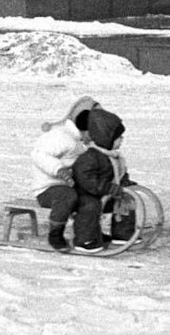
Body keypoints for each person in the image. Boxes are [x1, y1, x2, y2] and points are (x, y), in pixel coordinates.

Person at [29, 96, 97, 251]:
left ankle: (88, 233)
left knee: (89, 199)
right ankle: (55, 235)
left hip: (70, 185)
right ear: (84, 129)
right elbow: (39, 154)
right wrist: (59, 169)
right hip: (47, 188)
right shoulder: (60, 137)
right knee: (66, 196)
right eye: (92, 133)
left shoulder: (81, 142)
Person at [68, 105, 132, 253]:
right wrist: (109, 188)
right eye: (118, 138)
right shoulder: (90, 157)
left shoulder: (114, 157)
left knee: (127, 199)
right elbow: (87, 181)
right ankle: (85, 240)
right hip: (85, 194)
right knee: (90, 206)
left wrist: (126, 185)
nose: (121, 140)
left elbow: (120, 174)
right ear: (106, 138)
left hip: (106, 193)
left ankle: (123, 233)